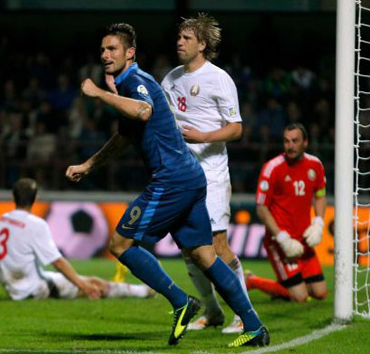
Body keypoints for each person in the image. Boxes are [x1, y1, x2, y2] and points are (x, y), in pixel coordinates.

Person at [65, 23, 269, 347]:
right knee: (204, 255)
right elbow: (124, 136)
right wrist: (89, 165)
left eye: (112, 49)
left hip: (172, 180)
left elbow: (143, 111)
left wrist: (100, 94)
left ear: (130, 53)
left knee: (120, 244)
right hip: (190, 176)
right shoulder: (136, 83)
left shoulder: (136, 81)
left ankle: (180, 301)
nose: (105, 55)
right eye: (102, 49)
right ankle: (254, 326)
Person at [160, 13, 246, 334]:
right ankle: (212, 311)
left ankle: (243, 313)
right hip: (181, 176)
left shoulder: (219, 79)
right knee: (188, 248)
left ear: (203, 45)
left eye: (187, 38)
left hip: (211, 174)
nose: (179, 43)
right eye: (179, 37)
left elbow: (236, 128)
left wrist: (203, 137)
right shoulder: (170, 80)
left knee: (217, 245)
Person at [0, 178, 154, 301]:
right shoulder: (35, 224)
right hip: (32, 288)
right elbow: (57, 262)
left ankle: (141, 290)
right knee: (95, 284)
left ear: (14, 197)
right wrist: (83, 287)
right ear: (35, 198)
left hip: (12, 285)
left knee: (89, 280)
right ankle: (143, 291)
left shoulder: (3, 220)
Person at [247, 123, 328, 302]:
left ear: (305, 142)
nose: (290, 146)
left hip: (303, 240)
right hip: (279, 241)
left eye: (295, 141)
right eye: (286, 141)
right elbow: (261, 208)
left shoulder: (315, 165)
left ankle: (288, 283)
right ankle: (252, 281)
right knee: (300, 297)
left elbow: (320, 195)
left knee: (320, 293)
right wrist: (281, 238)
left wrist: (319, 222)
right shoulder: (272, 168)